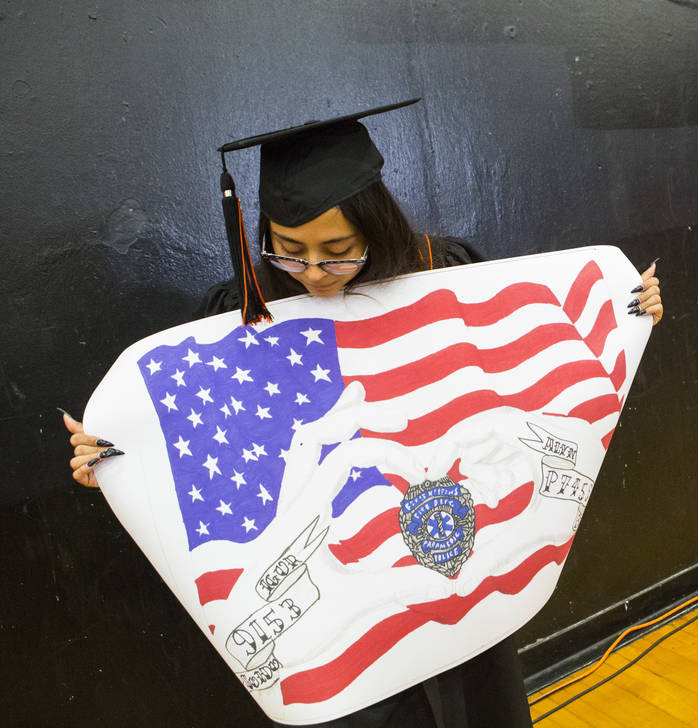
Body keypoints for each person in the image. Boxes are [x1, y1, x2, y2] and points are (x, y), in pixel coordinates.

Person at [64, 98, 663, 727]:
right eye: (288, 250)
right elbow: (186, 441)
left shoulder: (445, 273)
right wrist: (112, 459)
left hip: (458, 573)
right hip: (348, 599)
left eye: (339, 251)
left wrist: (627, 319)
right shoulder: (241, 317)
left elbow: (540, 388)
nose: (315, 272)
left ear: (374, 227)